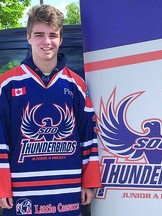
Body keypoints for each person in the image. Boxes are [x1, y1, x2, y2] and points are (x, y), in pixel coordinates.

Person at [0, 4, 101, 216]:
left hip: (68, 191)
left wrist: (89, 181)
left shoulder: (77, 85)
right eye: (39, 35)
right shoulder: (7, 84)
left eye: (52, 35)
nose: (47, 42)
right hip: (22, 192)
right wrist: (2, 186)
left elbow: (89, 136)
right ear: (28, 37)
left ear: (60, 39)